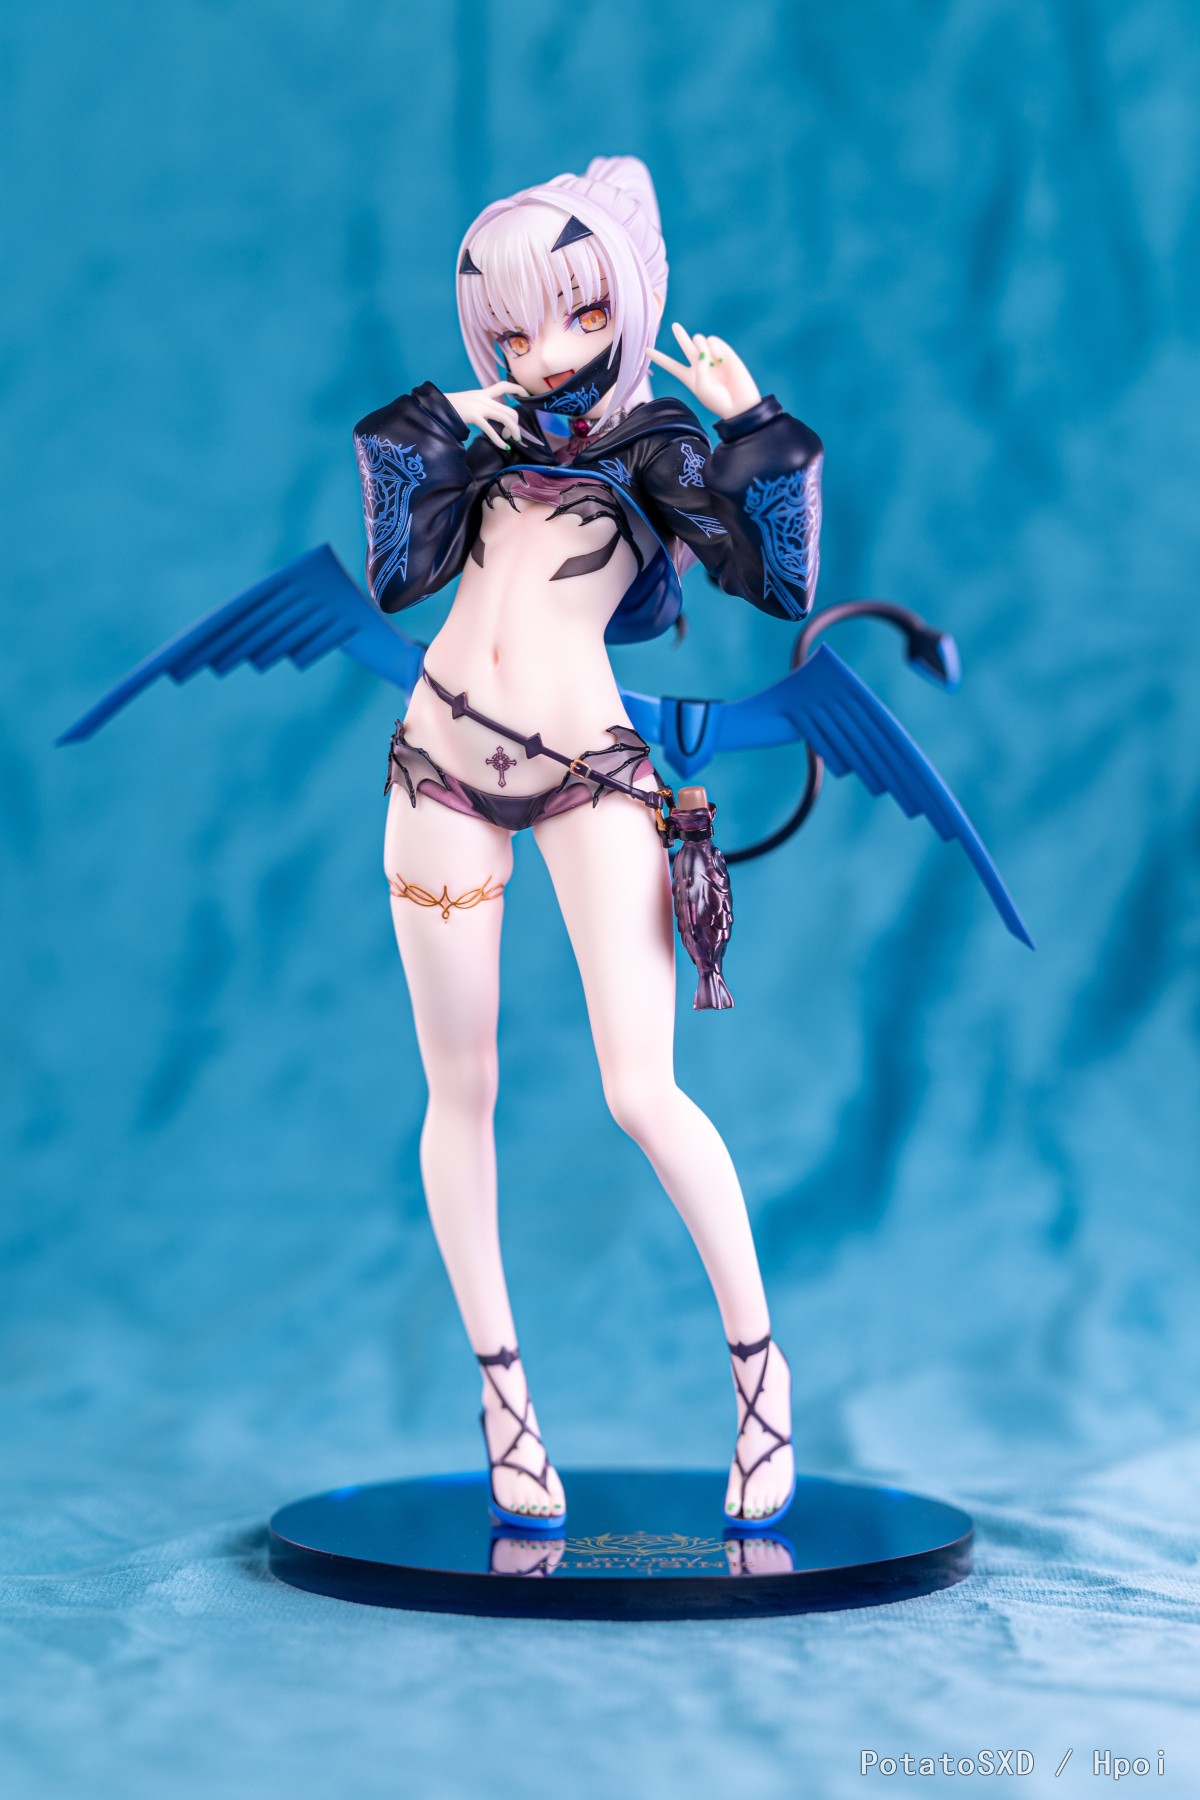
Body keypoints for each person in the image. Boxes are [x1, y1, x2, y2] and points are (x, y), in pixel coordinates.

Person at [353, 155, 824, 1532]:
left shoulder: (656, 448)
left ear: (624, 302)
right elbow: (397, 575)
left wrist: (754, 424)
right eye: (507, 325)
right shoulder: (482, 435)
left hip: (588, 773)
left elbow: (776, 580)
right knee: (460, 1090)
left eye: (576, 312)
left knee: (642, 1089)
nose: (542, 350)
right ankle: (506, 1409)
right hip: (438, 769)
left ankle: (762, 1381)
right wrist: (443, 424)